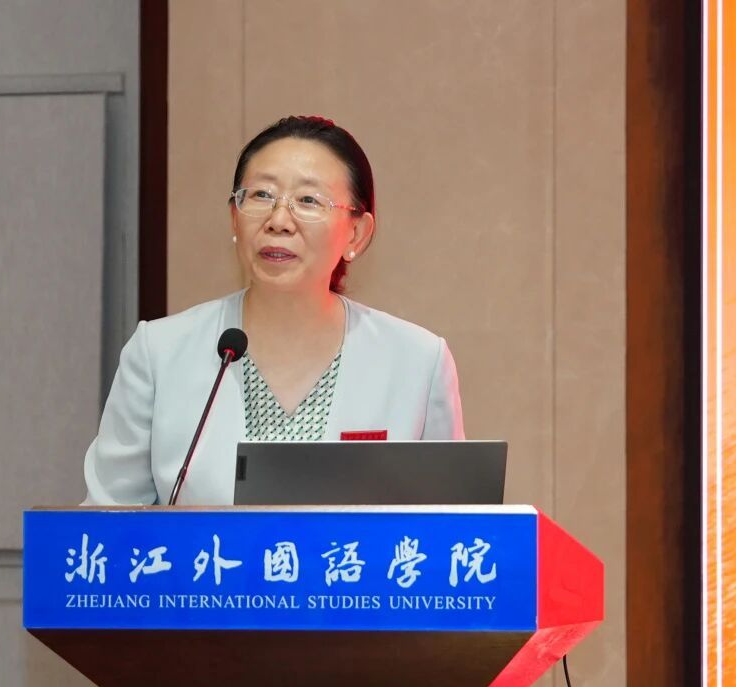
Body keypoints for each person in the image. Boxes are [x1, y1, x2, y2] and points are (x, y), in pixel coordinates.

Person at [83, 116, 464, 506]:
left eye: (308, 200)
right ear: (235, 217)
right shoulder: (159, 353)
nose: (279, 221)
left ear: (356, 233)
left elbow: (452, 524)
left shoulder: (418, 361)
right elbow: (105, 520)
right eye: (261, 195)